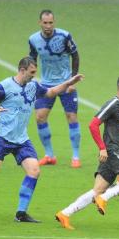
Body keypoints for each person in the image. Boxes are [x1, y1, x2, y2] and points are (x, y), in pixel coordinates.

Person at [0, 57, 84, 223]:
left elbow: (52, 92)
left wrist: (69, 82)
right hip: (2, 138)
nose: (34, 75)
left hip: (21, 140)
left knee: (34, 171)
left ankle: (21, 213)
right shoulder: (5, 85)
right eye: (32, 72)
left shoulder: (33, 86)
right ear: (22, 70)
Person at [55, 76, 119, 230]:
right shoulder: (112, 105)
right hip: (113, 152)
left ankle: (64, 214)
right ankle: (104, 198)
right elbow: (93, 125)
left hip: (112, 155)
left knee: (97, 190)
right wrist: (102, 147)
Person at [28, 9, 81, 168]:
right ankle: (50, 155)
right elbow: (32, 58)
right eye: (45, 22)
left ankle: (76, 156)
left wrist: (72, 81)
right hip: (46, 84)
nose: (48, 26)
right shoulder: (33, 39)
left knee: (71, 117)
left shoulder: (65, 36)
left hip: (65, 83)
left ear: (54, 22)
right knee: (40, 117)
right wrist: (30, 79)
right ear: (40, 23)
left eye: (51, 22)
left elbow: (76, 55)